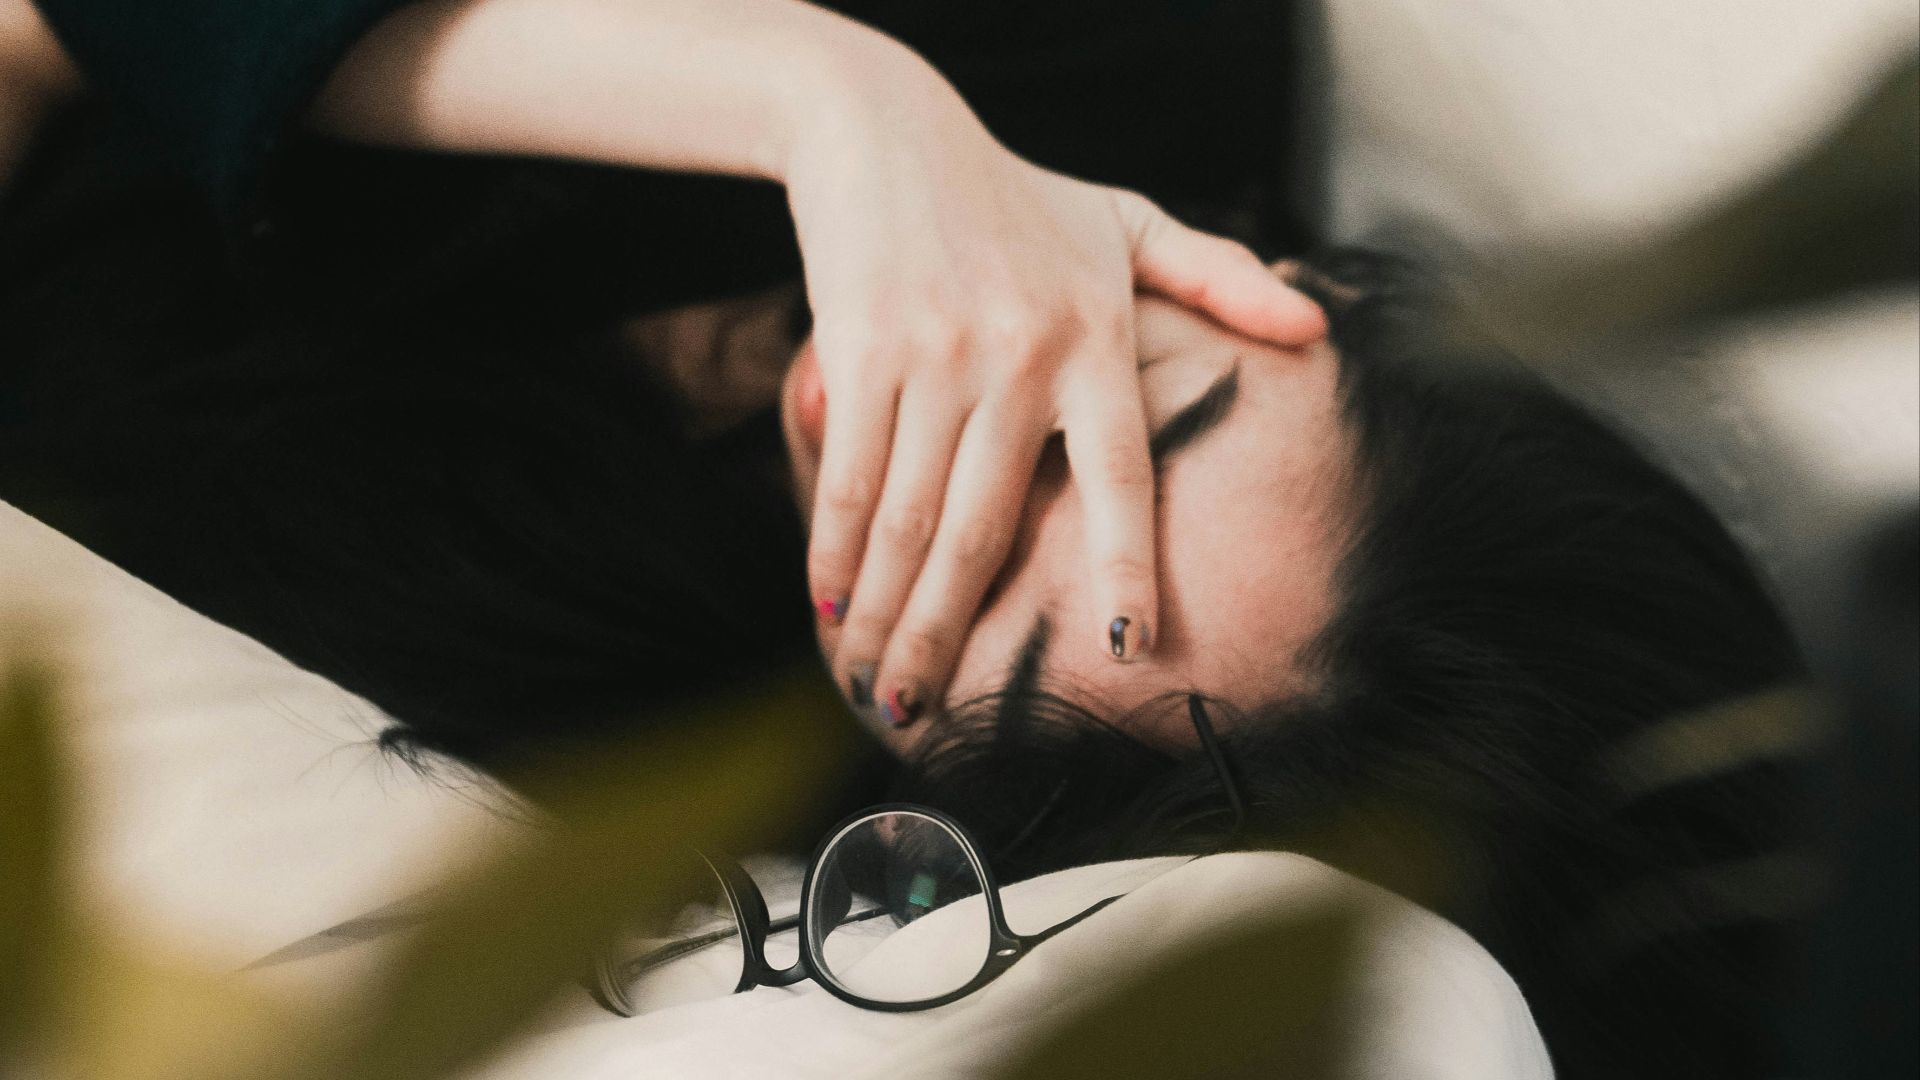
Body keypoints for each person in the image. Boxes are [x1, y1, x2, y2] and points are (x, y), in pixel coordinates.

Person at [0, 3, 1803, 1077]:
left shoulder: (538, 701)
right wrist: (838, 97)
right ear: (1290, 295)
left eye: (970, 621)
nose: (919, 450)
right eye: (1128, 423)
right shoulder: (1112, 40)